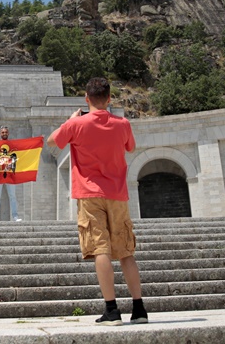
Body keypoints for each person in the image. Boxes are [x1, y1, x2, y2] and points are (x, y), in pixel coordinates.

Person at [47, 77, 148, 326]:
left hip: (89, 194)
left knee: (100, 249)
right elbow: (131, 148)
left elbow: (51, 143)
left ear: (86, 98)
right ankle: (139, 309)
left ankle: (112, 311)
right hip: (117, 193)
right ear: (109, 98)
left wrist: (70, 122)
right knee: (126, 251)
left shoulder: (77, 124)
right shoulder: (122, 124)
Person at [0, 126, 21, 222]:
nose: (4, 134)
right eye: (2, 132)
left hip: (10, 174)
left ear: (8, 133)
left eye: (6, 132)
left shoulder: (12, 145)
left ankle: (15, 216)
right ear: (0, 134)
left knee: (12, 195)